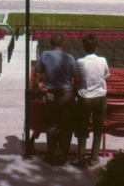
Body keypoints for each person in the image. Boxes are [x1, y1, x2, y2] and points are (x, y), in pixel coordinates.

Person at [35, 32, 79, 165]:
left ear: (51, 43)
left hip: (52, 93)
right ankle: (62, 155)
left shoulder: (45, 55)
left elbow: (37, 74)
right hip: (67, 93)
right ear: (63, 43)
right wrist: (75, 92)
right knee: (66, 126)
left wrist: (36, 87)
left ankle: (52, 153)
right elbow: (77, 78)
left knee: (52, 124)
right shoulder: (70, 57)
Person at [73, 32, 110, 167]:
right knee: (97, 128)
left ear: (84, 47)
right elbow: (105, 75)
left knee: (82, 126)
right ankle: (94, 157)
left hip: (85, 97)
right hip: (100, 97)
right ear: (96, 47)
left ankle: (81, 155)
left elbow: (78, 79)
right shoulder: (103, 60)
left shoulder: (80, 62)